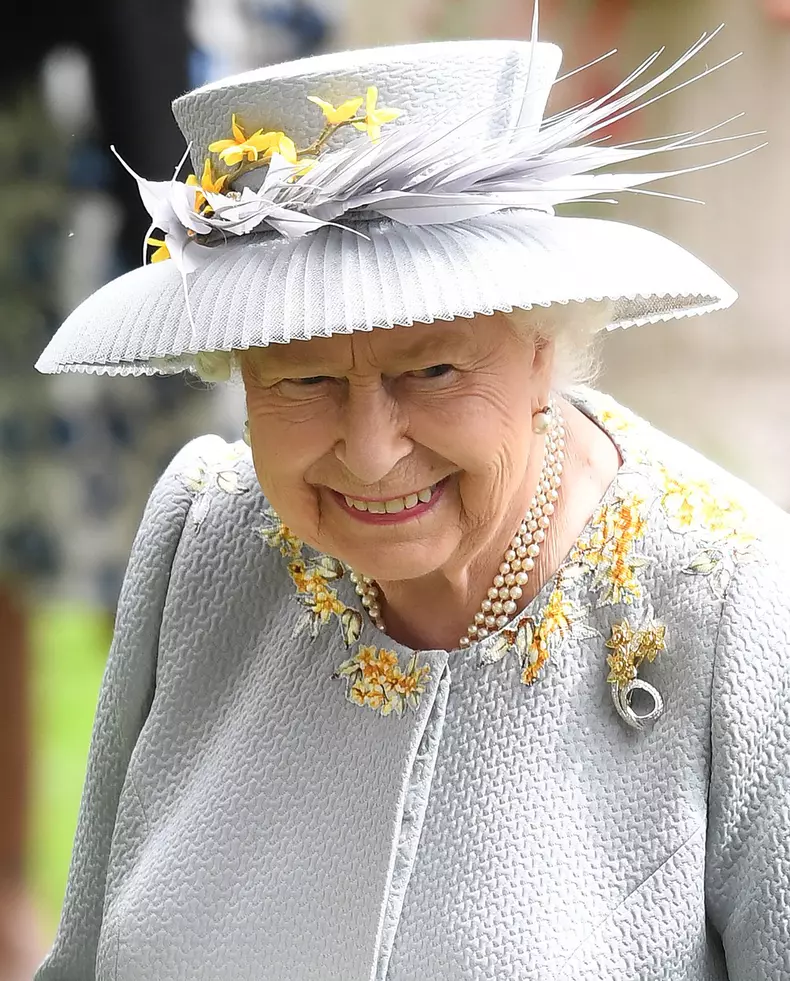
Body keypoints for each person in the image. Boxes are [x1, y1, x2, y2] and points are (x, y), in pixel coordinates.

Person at [31, 26, 790, 981]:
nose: (372, 449)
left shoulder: (735, 601)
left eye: (431, 369)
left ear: (544, 341)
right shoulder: (202, 536)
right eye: (302, 380)